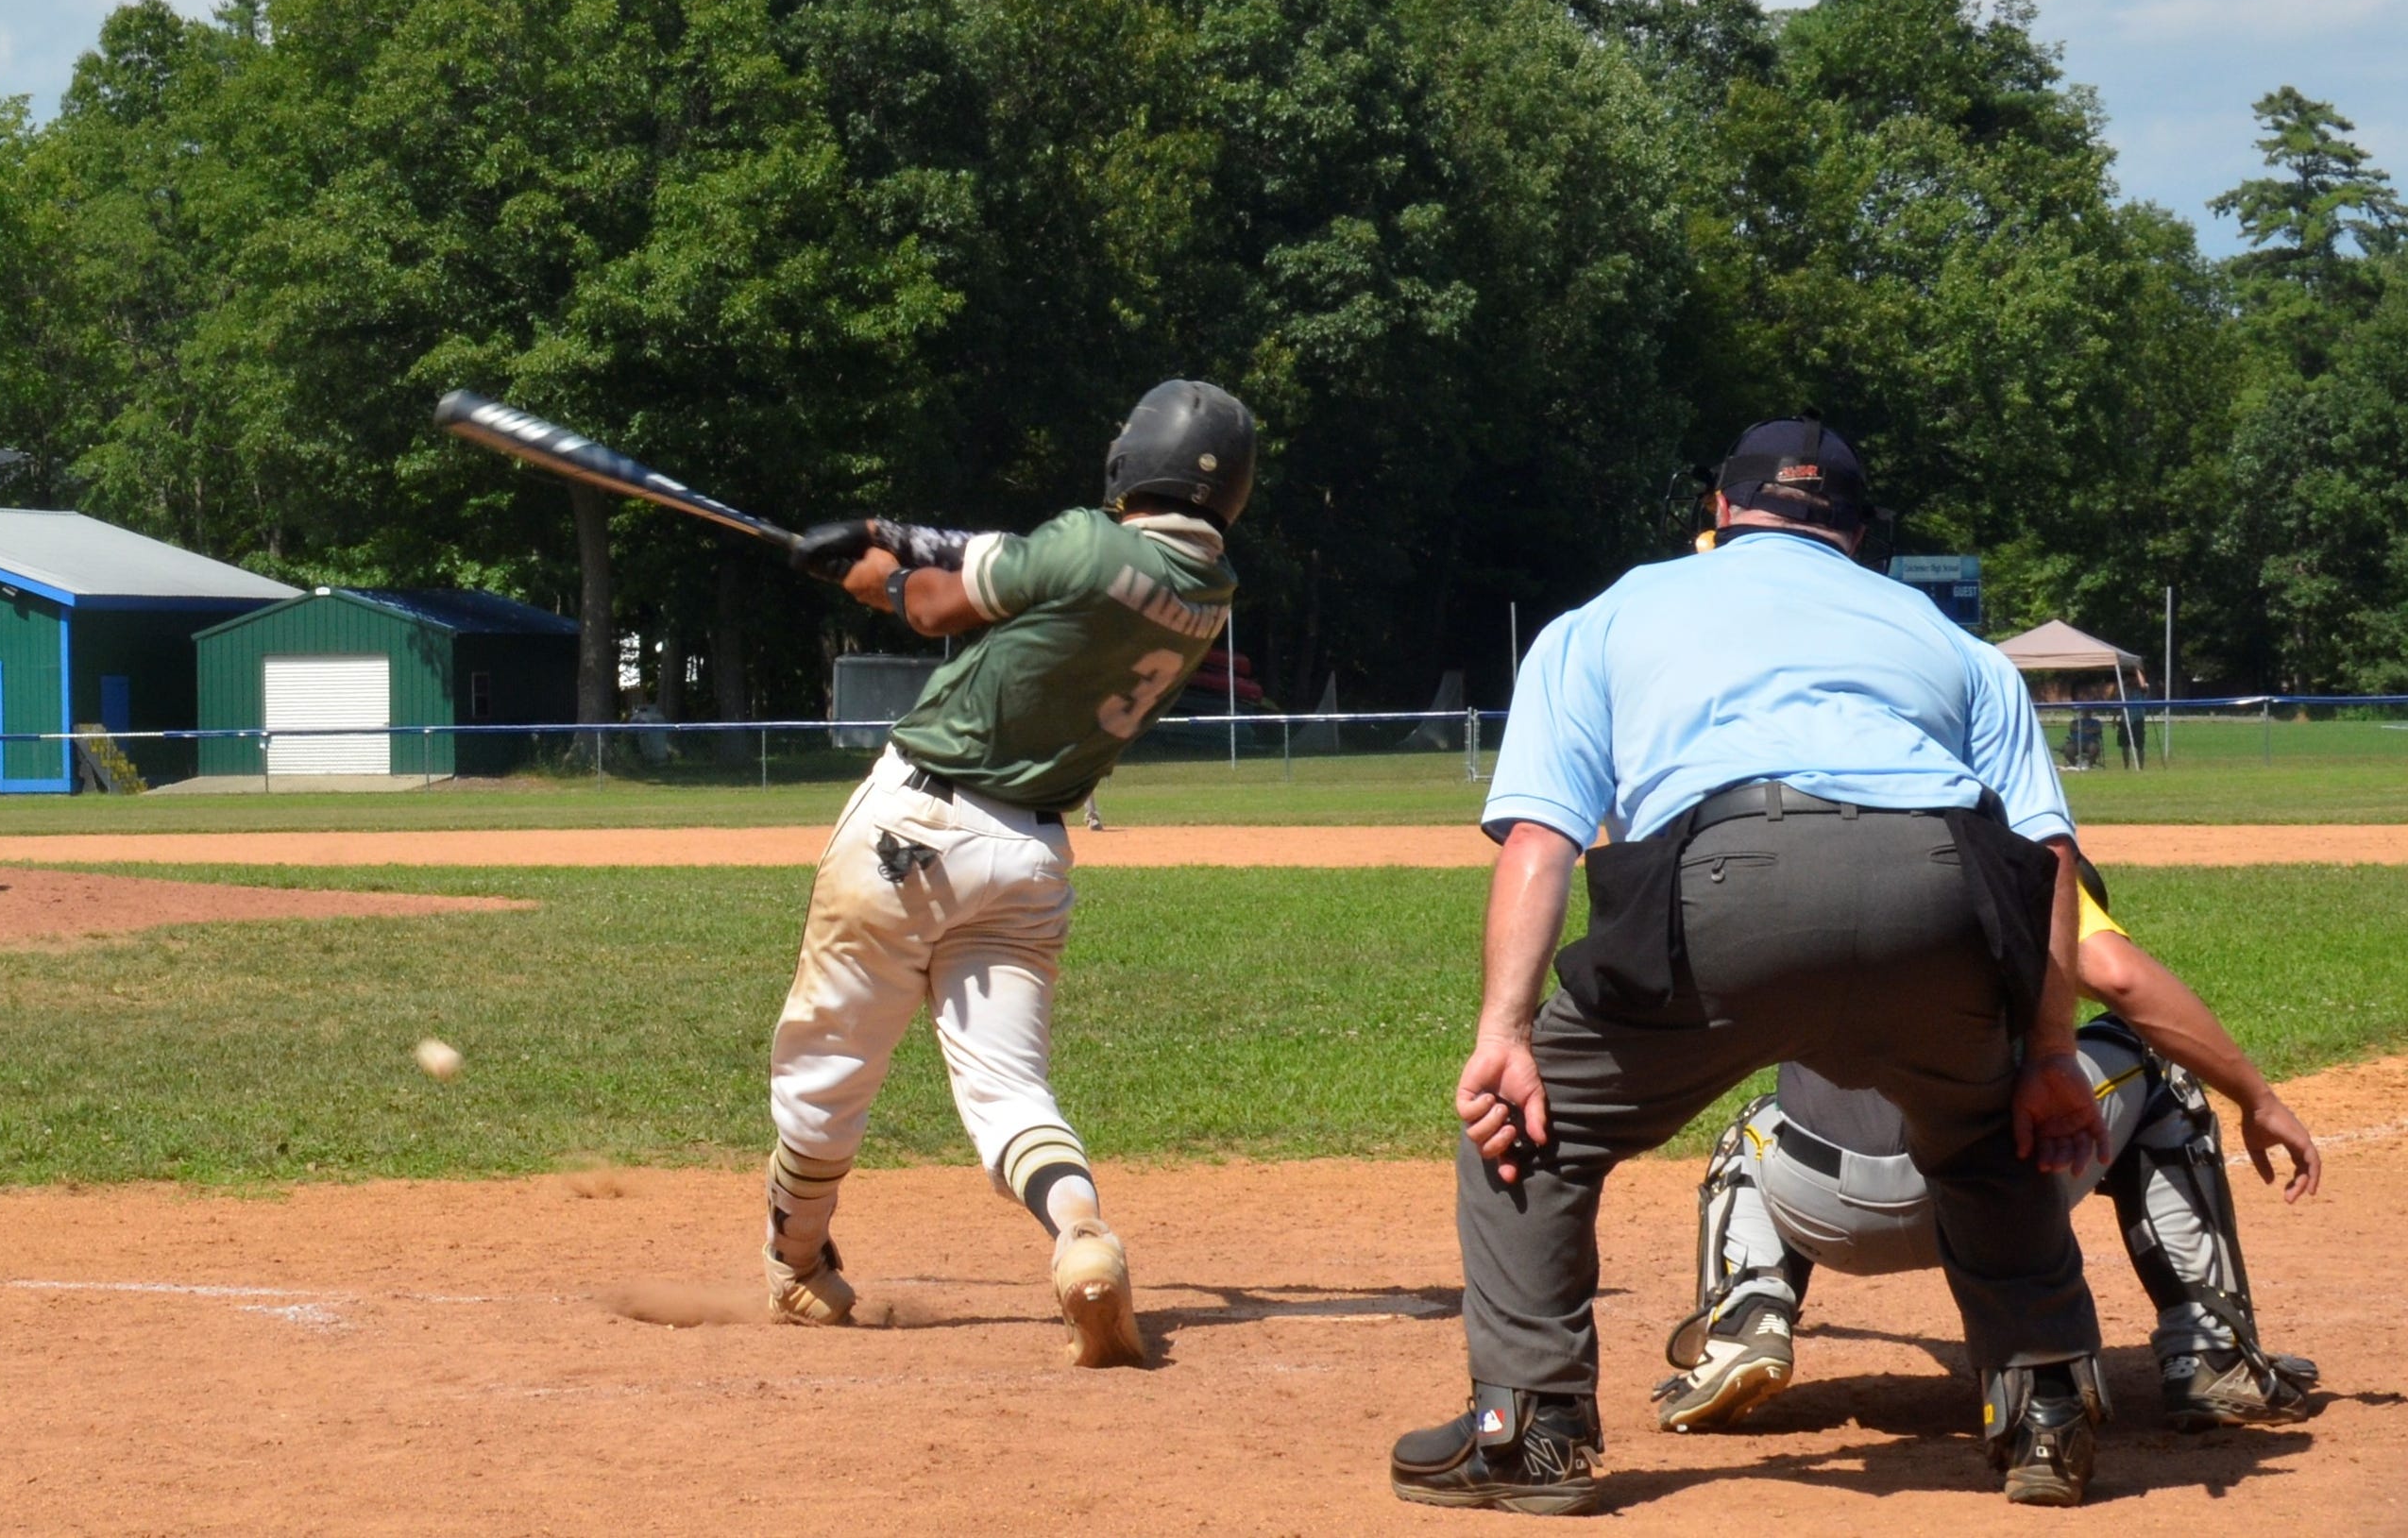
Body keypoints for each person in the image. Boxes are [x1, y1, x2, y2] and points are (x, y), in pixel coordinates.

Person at [1389, 416, 2114, 1515]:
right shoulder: (1943, 636)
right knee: (1982, 1132)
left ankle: (1529, 1427)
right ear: (1859, 536)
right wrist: (2048, 1050)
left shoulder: (1614, 611)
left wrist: (1503, 1039)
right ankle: (2046, 1413)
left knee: (1533, 1124)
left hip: (1719, 886)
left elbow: (1541, 839)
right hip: (1937, 889)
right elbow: (2046, 855)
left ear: (1718, 515)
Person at [758, 380, 1252, 1369]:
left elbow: (940, 600)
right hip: (1028, 856)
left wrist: (874, 579)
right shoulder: (1207, 591)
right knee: (1011, 1093)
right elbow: (993, 561)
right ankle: (1079, 1235)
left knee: (826, 1069)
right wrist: (880, 532)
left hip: (911, 823)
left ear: (1129, 461)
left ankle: (799, 1264)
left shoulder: (1086, 540)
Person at [1654, 855, 2320, 1435]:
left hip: (1819, 1207)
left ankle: (1746, 1318)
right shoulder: (2013, 851)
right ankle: (2213, 1352)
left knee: (1754, 1129)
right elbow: (2121, 979)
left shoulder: (1806, 858)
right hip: (1995, 1191)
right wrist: (2259, 1099)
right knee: (2159, 1068)